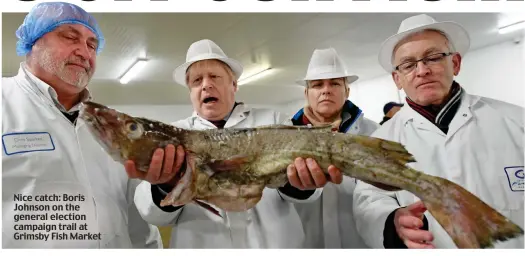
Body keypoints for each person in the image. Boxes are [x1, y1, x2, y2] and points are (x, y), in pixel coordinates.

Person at [125, 39, 344, 248]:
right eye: (196, 81)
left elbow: (304, 194)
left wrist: (300, 184)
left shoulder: (273, 122)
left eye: (214, 77)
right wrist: (166, 185)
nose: (206, 85)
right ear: (190, 92)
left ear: (234, 84)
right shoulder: (172, 137)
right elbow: (151, 213)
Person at [353, 14, 524, 249]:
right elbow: (368, 201)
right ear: (397, 79)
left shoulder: (517, 120)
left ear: (455, 63)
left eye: (433, 58)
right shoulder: (381, 140)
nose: (422, 70)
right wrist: (392, 222)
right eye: (408, 64)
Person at [2, 2, 162, 249]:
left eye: (92, 45)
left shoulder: (115, 125)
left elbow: (138, 219)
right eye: (69, 37)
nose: (85, 53)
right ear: (34, 42)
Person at [284, 47, 379, 248]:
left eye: (335, 83)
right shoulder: (286, 136)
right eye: (318, 85)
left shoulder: (374, 133)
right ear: (307, 93)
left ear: (347, 91)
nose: (326, 90)